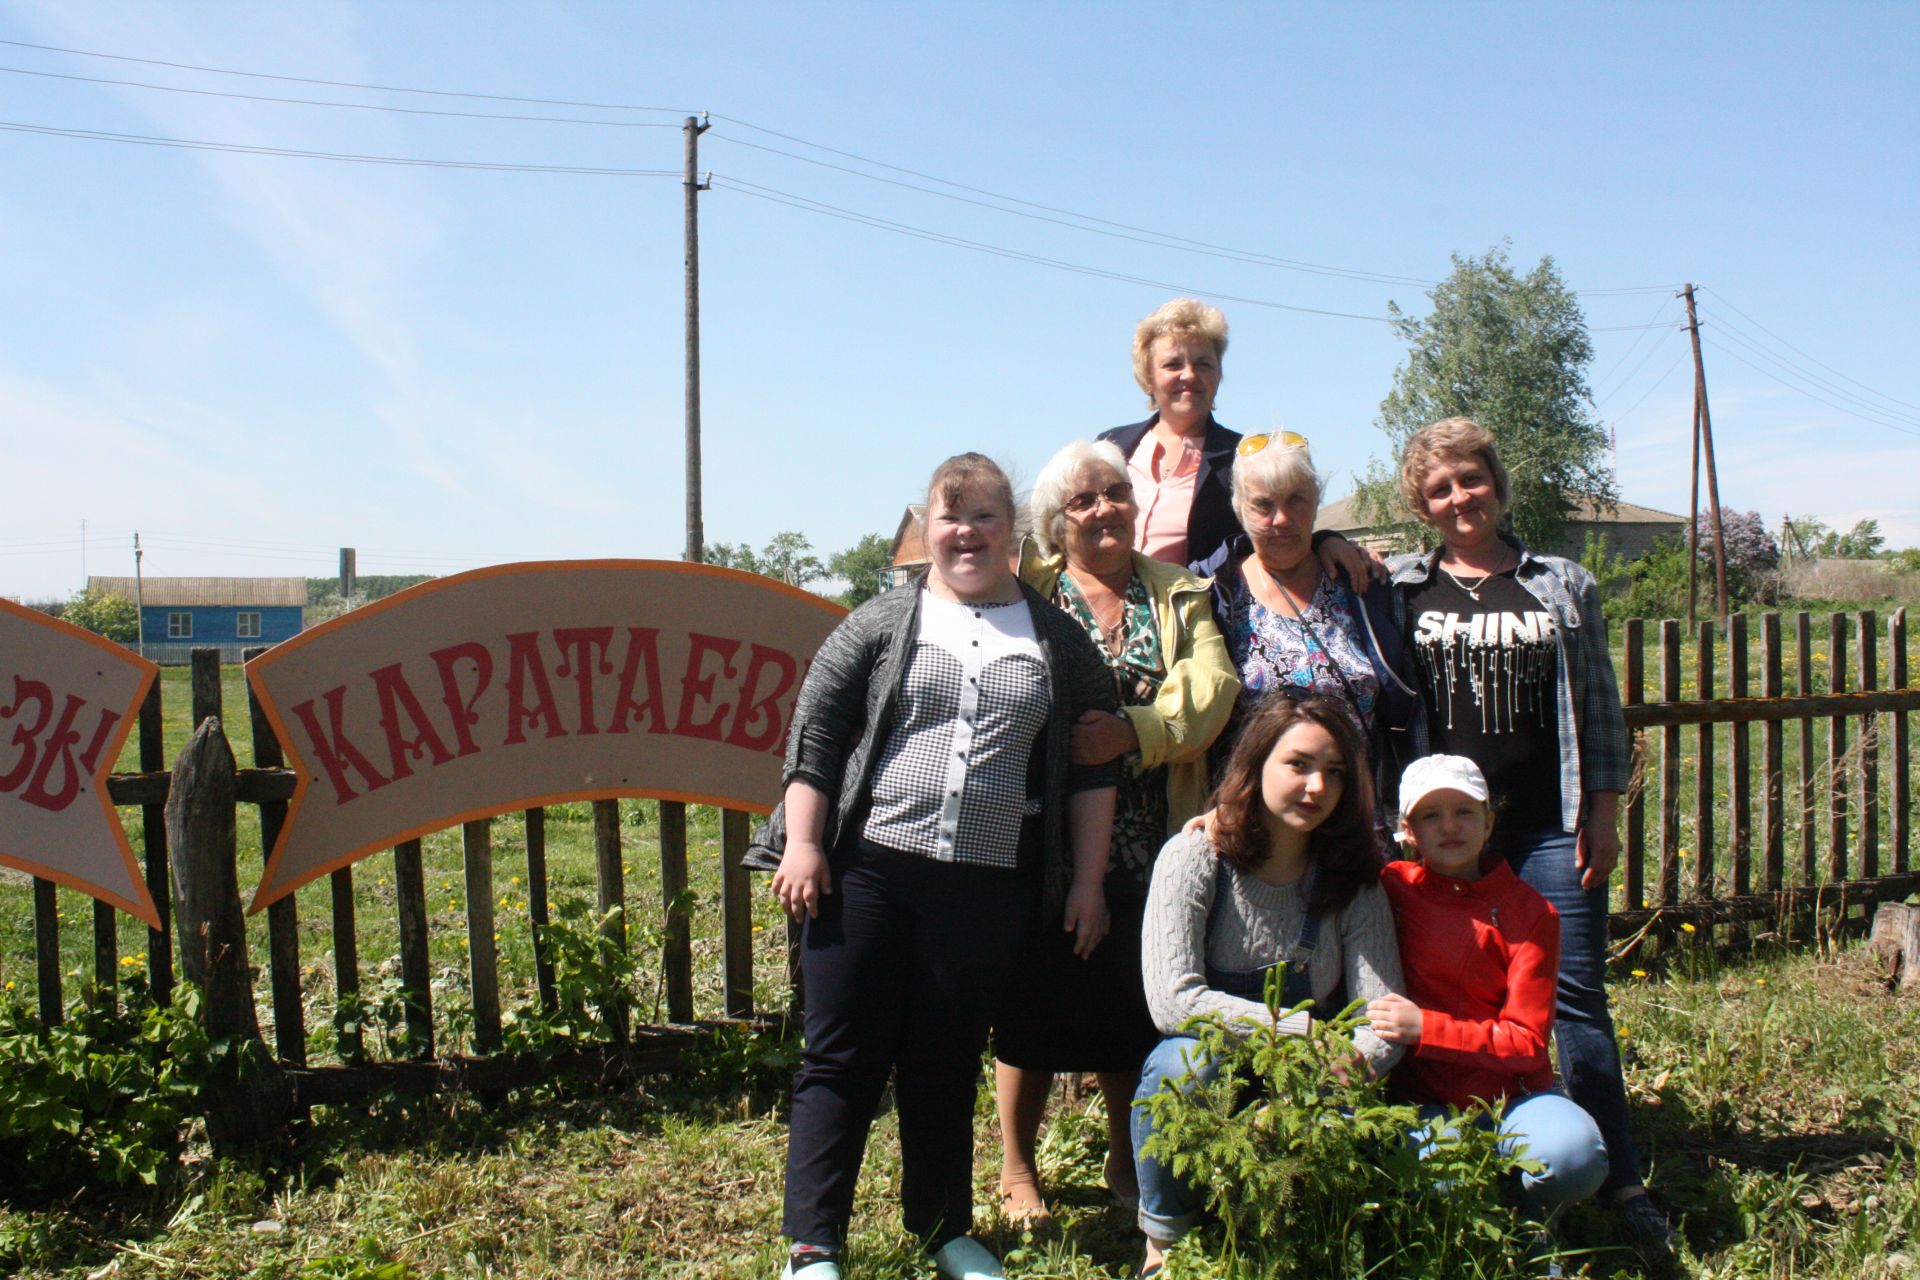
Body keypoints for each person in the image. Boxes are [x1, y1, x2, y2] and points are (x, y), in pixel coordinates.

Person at [770, 453, 1121, 1280]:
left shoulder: (1055, 637)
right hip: (869, 872)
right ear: (927, 528)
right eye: (950, 516)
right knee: (841, 1056)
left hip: (987, 882)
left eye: (985, 517)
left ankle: (943, 1229)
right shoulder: (880, 622)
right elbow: (815, 734)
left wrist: (1085, 881)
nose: (966, 532)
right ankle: (814, 1245)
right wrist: (806, 842)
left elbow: (1094, 763)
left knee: (945, 1056)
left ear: (1014, 534)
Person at [1384, 417, 1677, 1259]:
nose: (1458, 497)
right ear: (1420, 503)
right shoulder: (1400, 588)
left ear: (1497, 484)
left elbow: (1599, 708)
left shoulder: (1561, 583)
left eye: (1470, 479)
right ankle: (1455, 1146)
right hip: (1439, 831)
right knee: (1432, 986)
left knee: (1577, 999)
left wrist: (1606, 812)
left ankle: (1617, 1175)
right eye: (1439, 487)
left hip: (1547, 825)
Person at [992, 439, 1241, 1226]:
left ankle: (1122, 1152)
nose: (1104, 510)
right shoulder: (1026, 592)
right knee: (1029, 998)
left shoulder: (1178, 593)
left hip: (1151, 831)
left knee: (1128, 1001)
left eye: (1115, 493)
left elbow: (1211, 687)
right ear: (1055, 523)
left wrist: (1133, 732)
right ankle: (1016, 1163)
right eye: (1083, 501)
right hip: (1037, 835)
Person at [1131, 694, 1405, 1277]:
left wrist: (1348, 1066)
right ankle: (1167, 1244)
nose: (1316, 787)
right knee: (1181, 1064)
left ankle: (1305, 1229)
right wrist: (1300, 1032)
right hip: (1225, 1066)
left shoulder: (1354, 884)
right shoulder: (1195, 856)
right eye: (1298, 764)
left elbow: (1382, 1015)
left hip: (1313, 1082)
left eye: (1334, 773)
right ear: (1256, 765)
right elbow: (1173, 1001)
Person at [1365, 754, 1608, 1249]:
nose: (1449, 827)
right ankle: (1494, 1217)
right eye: (1431, 816)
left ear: (1490, 821)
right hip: (1422, 1102)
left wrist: (1424, 1028)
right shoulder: (1391, 888)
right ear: (1407, 831)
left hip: (1511, 1098)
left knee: (1575, 1158)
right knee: (1446, 1182)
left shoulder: (1530, 913)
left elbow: (1526, 1042)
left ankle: (1536, 1213)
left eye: (1465, 812)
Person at [1193, 429, 1413, 782]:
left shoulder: (1359, 582)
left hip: (1357, 815)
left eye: (1296, 500)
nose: (1281, 519)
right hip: (1260, 821)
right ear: (1240, 509)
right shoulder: (1214, 593)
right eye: (1263, 504)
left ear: (1316, 502)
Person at [1098, 298, 1242, 570]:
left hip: (1196, 610)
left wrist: (1327, 540)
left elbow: (1283, 525)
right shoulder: (1110, 446)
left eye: (1203, 364)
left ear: (1218, 374)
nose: (1189, 375)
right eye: (1173, 364)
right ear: (1148, 377)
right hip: (1106, 608)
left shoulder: (1243, 457)